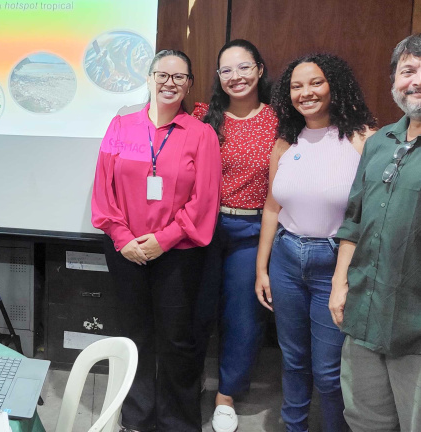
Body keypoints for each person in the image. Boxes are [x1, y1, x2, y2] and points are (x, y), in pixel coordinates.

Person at [92, 49, 221, 432]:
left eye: (179, 77)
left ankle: (177, 421)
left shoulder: (201, 134)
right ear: (148, 78)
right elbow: (103, 188)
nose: (169, 83)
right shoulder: (120, 126)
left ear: (189, 85)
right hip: (125, 251)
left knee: (177, 341)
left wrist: (164, 239)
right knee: (134, 337)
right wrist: (122, 236)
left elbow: (205, 200)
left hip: (178, 254)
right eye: (162, 75)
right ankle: (137, 417)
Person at [256, 53, 375, 432]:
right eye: (296, 86)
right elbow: (273, 207)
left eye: (315, 83)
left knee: (328, 372)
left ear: (334, 86)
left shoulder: (363, 139)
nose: (306, 92)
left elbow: (371, 213)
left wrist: (345, 277)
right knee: (292, 360)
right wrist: (262, 268)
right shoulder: (285, 143)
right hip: (287, 259)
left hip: (336, 264)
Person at [330, 34, 421, 432]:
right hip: (364, 315)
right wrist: (339, 284)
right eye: (408, 70)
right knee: (366, 420)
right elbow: (354, 219)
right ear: (394, 81)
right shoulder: (379, 142)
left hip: (414, 326)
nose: (416, 80)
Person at [193, 39, 276, 432]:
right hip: (201, 229)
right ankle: (184, 387)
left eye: (244, 67)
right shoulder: (202, 116)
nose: (235, 77)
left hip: (251, 230)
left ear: (259, 69)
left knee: (244, 317)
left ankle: (226, 396)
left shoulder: (280, 120)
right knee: (192, 311)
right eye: (226, 70)